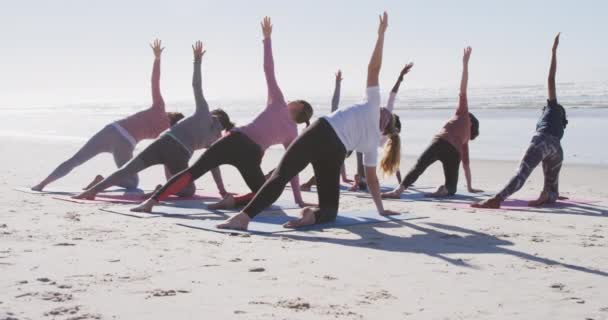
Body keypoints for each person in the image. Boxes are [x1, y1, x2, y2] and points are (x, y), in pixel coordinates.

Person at [216, 12, 401, 231]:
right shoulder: (372, 144)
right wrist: (380, 210)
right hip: (335, 152)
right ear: (386, 132)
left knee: (280, 176)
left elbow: (373, 68)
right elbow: (372, 181)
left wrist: (381, 35)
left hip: (319, 131)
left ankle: (243, 218)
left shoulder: (372, 105)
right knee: (329, 212)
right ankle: (311, 215)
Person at [130, 17, 313, 213]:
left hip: (235, 142)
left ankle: (153, 203)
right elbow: (291, 168)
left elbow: (269, 69)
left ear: (298, 107)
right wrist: (298, 200)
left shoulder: (278, 102)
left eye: (295, 102)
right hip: (248, 153)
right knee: (265, 195)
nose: (291, 101)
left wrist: (267, 39)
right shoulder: (291, 131)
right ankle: (226, 202)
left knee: (193, 173)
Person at [73, 41, 234, 200]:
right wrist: (222, 191)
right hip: (178, 155)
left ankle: (92, 191)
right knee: (188, 190)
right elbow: (213, 166)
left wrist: (197, 61)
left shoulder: (204, 114)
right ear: (223, 125)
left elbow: (196, 86)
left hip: (164, 141)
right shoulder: (211, 132)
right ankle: (162, 189)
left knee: (127, 169)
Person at [32, 39, 183, 192]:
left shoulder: (159, 108)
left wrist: (157, 58)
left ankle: (42, 184)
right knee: (132, 183)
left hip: (112, 130)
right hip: (125, 145)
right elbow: (167, 160)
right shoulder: (166, 134)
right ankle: (102, 181)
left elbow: (154, 82)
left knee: (76, 160)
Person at [472, 33, 567, 209]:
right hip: (557, 149)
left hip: (542, 141)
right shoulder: (559, 123)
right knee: (551, 184)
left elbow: (551, 79)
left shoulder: (553, 108)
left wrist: (553, 51)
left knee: (522, 173)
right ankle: (549, 193)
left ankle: (497, 199)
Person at [382, 46, 482, 199]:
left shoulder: (463, 113)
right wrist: (470, 187)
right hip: (453, 153)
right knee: (452, 188)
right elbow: (466, 166)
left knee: (419, 166)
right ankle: (445, 189)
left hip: (440, 142)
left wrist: (465, 64)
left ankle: (398, 191)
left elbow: (463, 88)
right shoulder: (465, 142)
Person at [349, 63, 413, 192]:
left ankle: (360, 179)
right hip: (365, 141)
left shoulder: (382, 120)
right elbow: (392, 94)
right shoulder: (387, 125)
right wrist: (400, 77)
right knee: (359, 152)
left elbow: (392, 95)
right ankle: (360, 179)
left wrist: (400, 77)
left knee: (357, 151)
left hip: (362, 139)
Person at [299, 70, 353, 192]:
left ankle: (308, 184)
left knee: (328, 168)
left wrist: (344, 177)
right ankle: (307, 184)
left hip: (329, 147)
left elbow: (342, 158)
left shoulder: (351, 136)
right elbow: (334, 103)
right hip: (321, 143)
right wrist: (338, 83)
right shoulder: (339, 122)